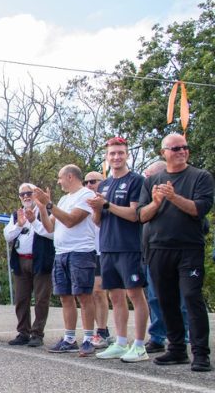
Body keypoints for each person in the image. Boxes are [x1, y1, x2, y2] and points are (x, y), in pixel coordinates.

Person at [138, 133, 212, 372]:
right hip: (159, 249)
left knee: (191, 297)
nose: (182, 151)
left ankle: (200, 354)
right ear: (164, 153)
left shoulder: (200, 177)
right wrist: (157, 202)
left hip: (189, 248)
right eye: (176, 148)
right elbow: (142, 215)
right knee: (166, 300)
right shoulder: (152, 181)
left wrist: (173, 197)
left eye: (184, 147)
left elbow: (199, 209)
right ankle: (177, 349)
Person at [88, 137, 150, 362]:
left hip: (129, 246)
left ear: (127, 155)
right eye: (112, 153)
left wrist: (106, 204)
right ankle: (121, 342)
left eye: (120, 153)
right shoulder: (104, 184)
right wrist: (97, 208)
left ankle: (140, 346)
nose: (116, 157)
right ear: (106, 157)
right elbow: (98, 221)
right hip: (107, 247)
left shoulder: (136, 181)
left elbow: (135, 215)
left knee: (135, 294)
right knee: (115, 296)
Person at [33, 165, 98, 356]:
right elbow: (49, 227)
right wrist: (43, 208)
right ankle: (69, 339)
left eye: (60, 178)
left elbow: (70, 220)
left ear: (70, 176)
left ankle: (88, 339)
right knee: (65, 296)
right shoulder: (64, 199)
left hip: (81, 252)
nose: (58, 181)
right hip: (61, 253)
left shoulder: (86, 195)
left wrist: (49, 204)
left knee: (83, 296)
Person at [141, 160, 189, 353]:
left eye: (149, 176)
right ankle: (157, 337)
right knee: (155, 298)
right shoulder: (148, 198)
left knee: (181, 298)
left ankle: (182, 336)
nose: (146, 179)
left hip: (179, 254)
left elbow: (200, 222)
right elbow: (141, 217)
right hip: (151, 253)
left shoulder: (180, 197)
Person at [3, 183, 54, 348]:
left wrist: (33, 221)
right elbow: (8, 236)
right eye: (22, 194)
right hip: (20, 261)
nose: (25, 196)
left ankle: (37, 333)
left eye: (29, 193)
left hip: (41, 261)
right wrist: (19, 225)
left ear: (36, 194)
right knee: (21, 299)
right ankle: (23, 332)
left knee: (41, 299)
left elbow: (51, 233)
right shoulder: (16, 214)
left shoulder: (47, 211)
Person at [82, 172, 113, 349]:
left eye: (93, 181)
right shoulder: (83, 201)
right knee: (90, 293)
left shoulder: (109, 200)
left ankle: (103, 331)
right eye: (86, 182)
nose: (89, 185)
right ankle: (100, 330)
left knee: (101, 292)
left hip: (106, 250)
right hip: (87, 251)